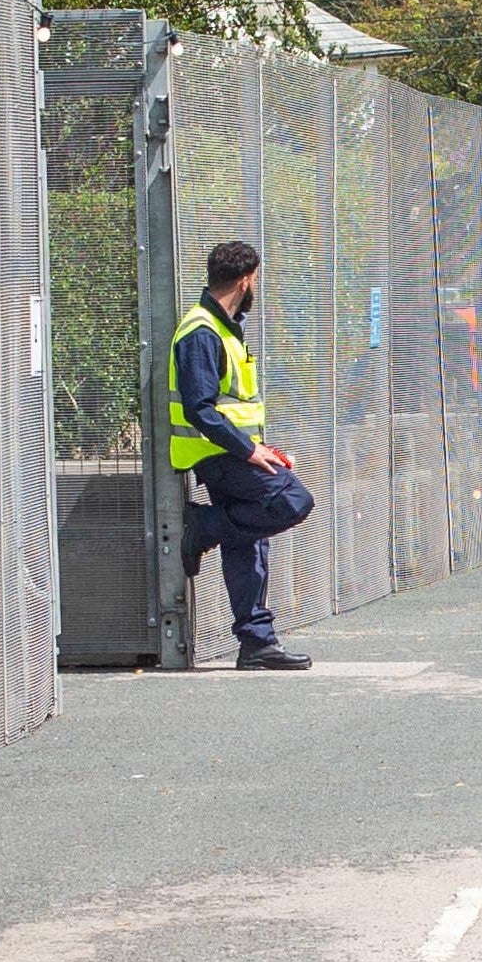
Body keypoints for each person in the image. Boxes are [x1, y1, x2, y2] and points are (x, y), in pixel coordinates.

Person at [170, 239, 315, 671]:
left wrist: (259, 448)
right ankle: (203, 526)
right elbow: (199, 408)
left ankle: (256, 641)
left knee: (247, 538)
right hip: (216, 456)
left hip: (235, 452)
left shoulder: (225, 326)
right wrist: (250, 451)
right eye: (255, 280)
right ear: (244, 280)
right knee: (293, 501)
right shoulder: (201, 332)